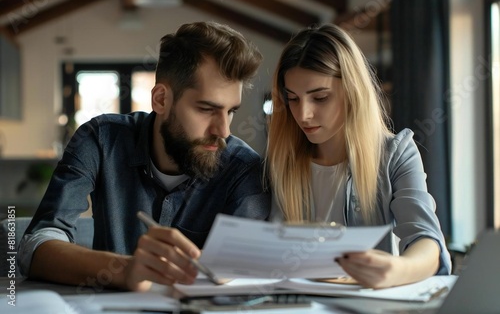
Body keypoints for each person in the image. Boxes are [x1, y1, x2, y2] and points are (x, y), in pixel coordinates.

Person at [18, 21, 271, 291]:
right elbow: (34, 248)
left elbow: (245, 270)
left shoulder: (243, 169)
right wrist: (126, 270)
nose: (223, 130)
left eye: (231, 111)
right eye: (206, 109)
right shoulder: (101, 140)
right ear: (161, 99)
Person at [265, 24, 451, 289]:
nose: (303, 114)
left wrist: (398, 269)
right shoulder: (280, 162)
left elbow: (426, 240)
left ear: (353, 92)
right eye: (293, 99)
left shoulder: (395, 154)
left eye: (320, 97)